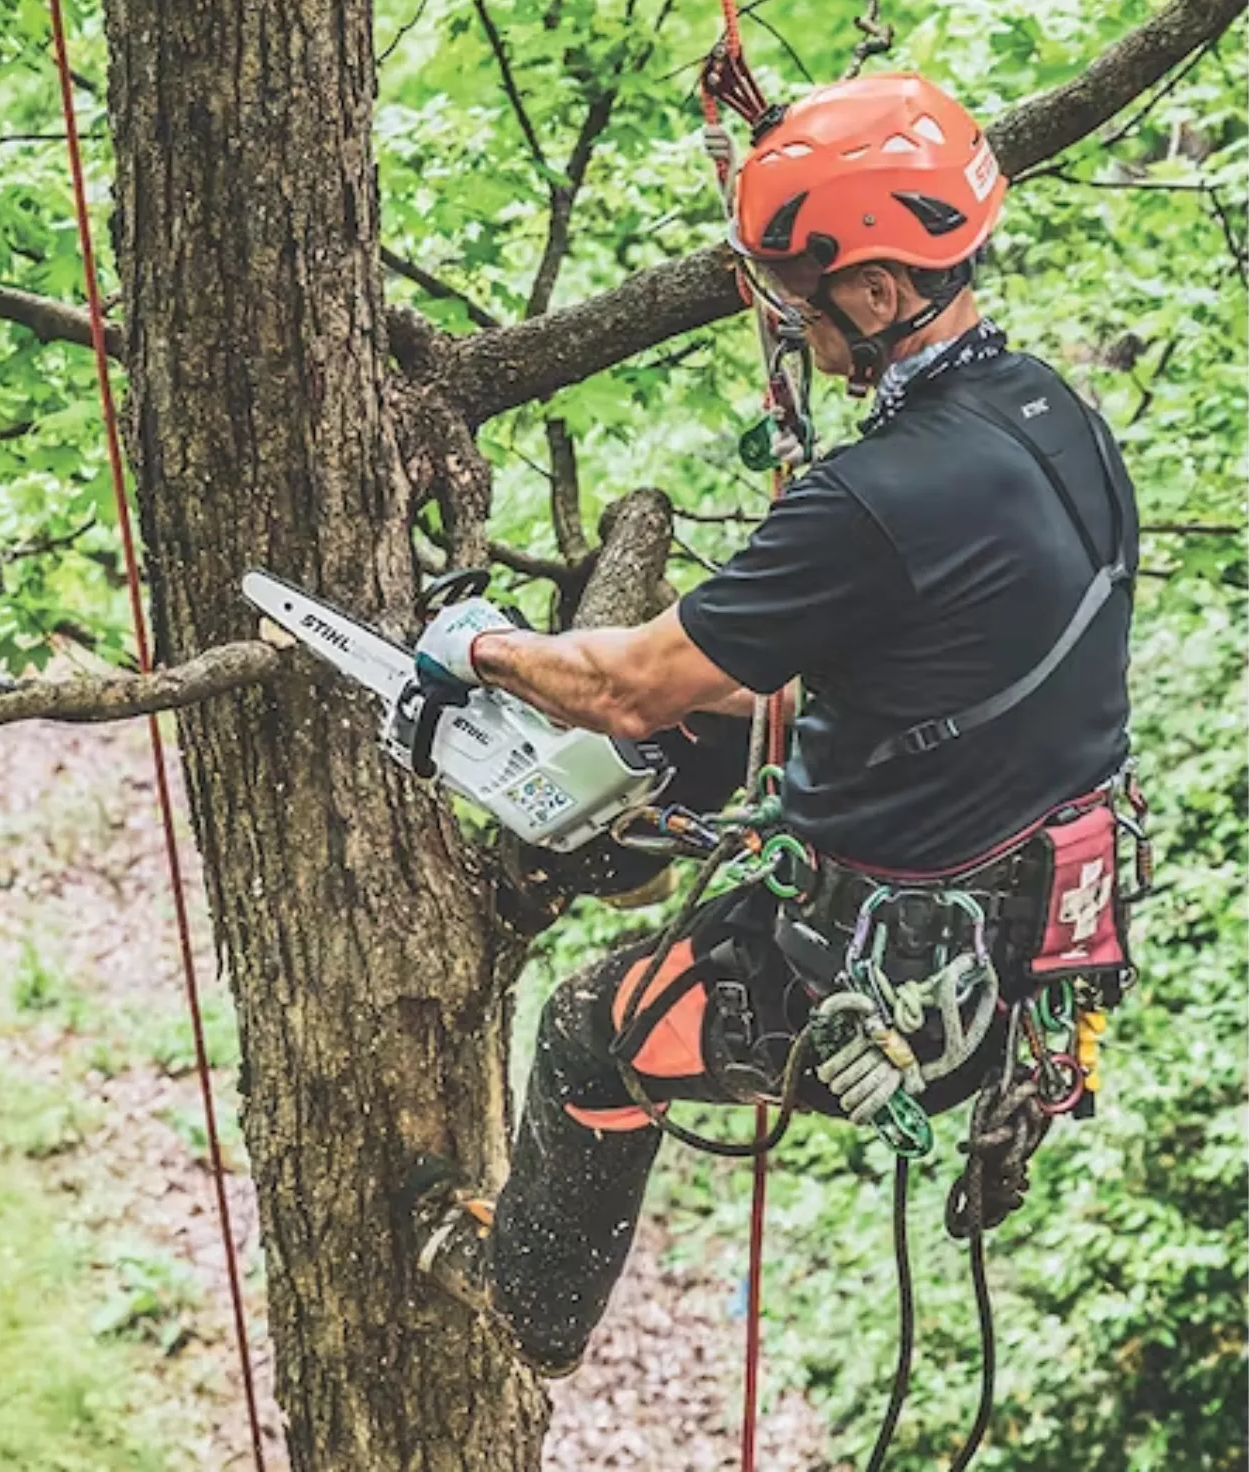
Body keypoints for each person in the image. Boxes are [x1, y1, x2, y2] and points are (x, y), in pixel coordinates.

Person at [402, 72, 1139, 1378]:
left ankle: (532, 1305)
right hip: (1036, 876)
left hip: (906, 960)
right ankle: (579, 852)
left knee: (588, 1029)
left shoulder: (875, 498)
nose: (788, 326)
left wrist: (487, 647)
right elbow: (924, 643)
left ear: (877, 287)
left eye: (800, 294)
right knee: (669, 742)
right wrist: (785, 141)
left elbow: (632, 680)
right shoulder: (1051, 414)